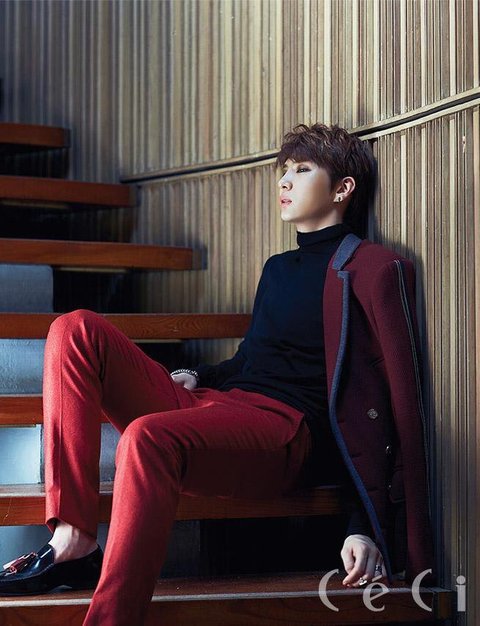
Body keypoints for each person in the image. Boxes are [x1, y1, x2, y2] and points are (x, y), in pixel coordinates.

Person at [0, 122, 435, 624]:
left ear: (343, 189)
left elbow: (390, 410)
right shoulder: (278, 268)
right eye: (283, 170)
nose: (284, 181)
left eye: (302, 170)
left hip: (284, 430)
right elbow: (251, 361)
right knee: (74, 328)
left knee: (145, 437)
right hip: (224, 406)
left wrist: (366, 524)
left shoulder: (371, 269)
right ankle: (73, 537)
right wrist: (200, 375)